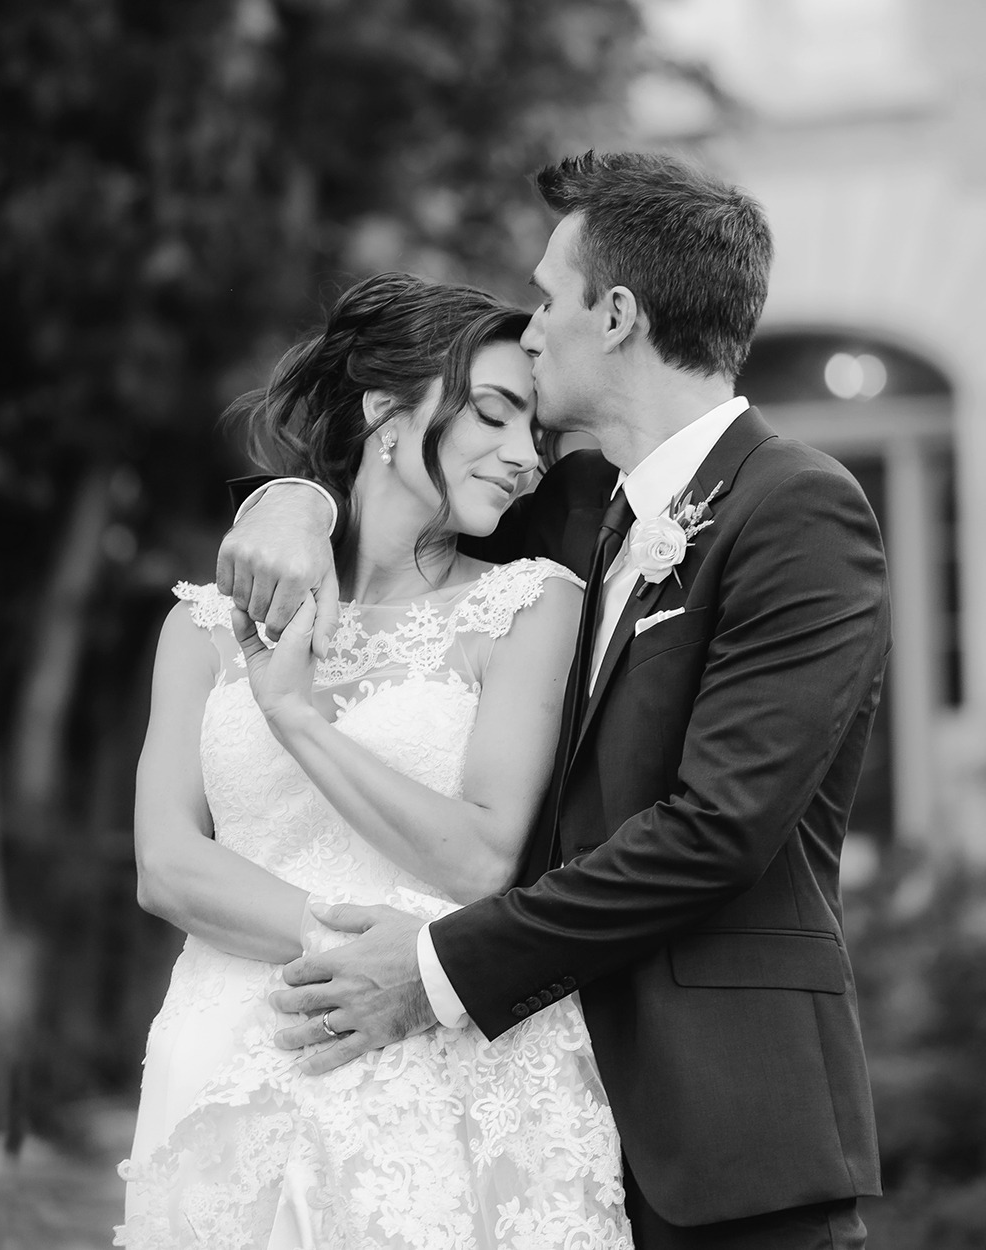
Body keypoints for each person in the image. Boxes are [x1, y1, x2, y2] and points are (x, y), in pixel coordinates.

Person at [221, 151, 890, 1250]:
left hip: (729, 1133)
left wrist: (435, 968)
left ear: (615, 314)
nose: (531, 332)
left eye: (546, 298)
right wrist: (289, 502)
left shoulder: (798, 510)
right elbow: (395, 490)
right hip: (546, 1131)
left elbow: (715, 831)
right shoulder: (577, 504)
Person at [115, 271, 634, 1249]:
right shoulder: (201, 626)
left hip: (429, 1064)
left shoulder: (529, 607)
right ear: (386, 410)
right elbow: (166, 864)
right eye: (494, 414)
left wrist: (296, 717)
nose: (526, 457)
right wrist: (354, 953)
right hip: (222, 1040)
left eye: (536, 433)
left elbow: (479, 857)